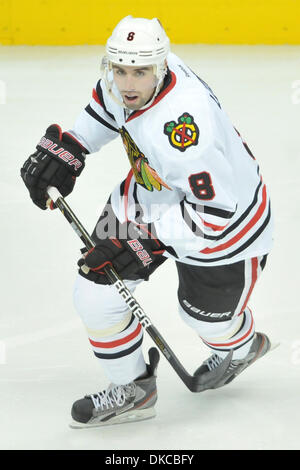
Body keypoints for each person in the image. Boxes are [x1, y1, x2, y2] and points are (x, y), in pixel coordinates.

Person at [20, 15, 274, 428]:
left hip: (227, 230)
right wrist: (73, 146)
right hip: (147, 199)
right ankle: (134, 391)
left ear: (161, 67)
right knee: (94, 293)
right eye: (119, 70)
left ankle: (241, 345)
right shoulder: (134, 72)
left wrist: (143, 243)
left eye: (139, 72)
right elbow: (106, 107)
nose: (128, 83)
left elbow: (215, 214)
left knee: (205, 320)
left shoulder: (184, 132)